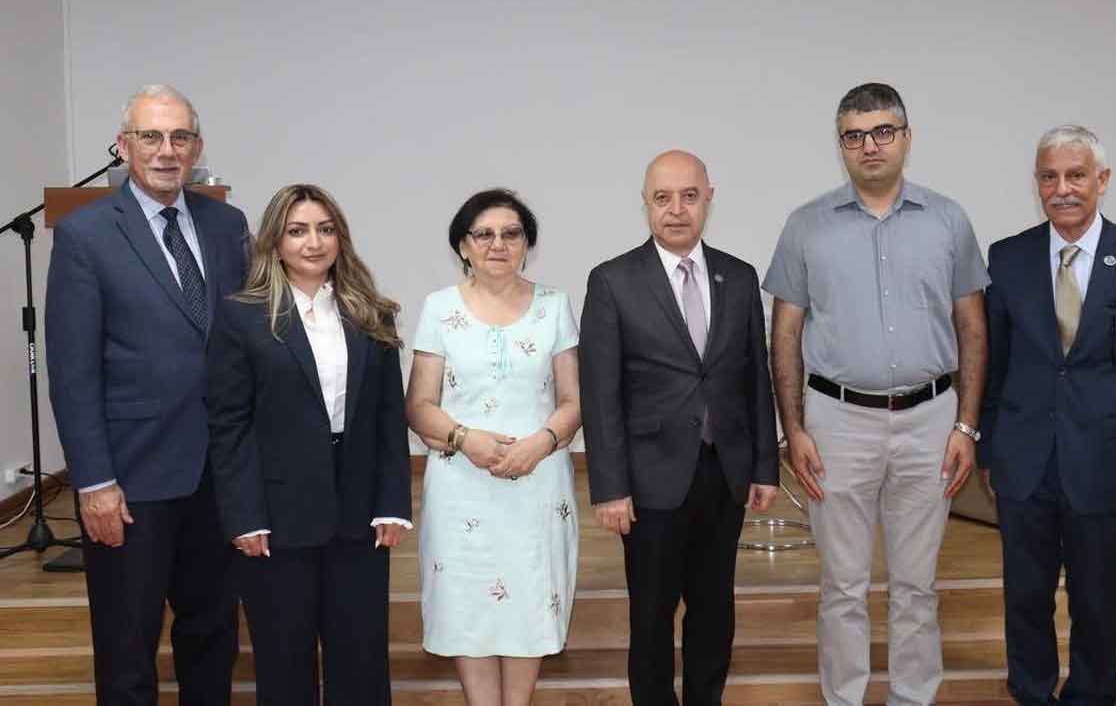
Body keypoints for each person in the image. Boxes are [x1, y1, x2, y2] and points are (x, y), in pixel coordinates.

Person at [763, 82, 989, 706]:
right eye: (855, 136)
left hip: (932, 421)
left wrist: (966, 426)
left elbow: (972, 327)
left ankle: (913, 697)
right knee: (842, 585)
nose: (870, 146)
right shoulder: (806, 225)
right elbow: (785, 336)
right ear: (840, 145)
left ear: (906, 138)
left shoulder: (948, 220)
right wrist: (794, 429)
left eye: (883, 131)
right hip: (836, 423)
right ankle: (844, 698)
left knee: (917, 585)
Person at [45, 84, 246, 705]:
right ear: (123, 145)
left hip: (219, 473)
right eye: (150, 136)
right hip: (131, 480)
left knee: (212, 635)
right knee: (127, 647)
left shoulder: (228, 225)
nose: (166, 150)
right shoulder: (84, 236)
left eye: (179, 137)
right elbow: (73, 373)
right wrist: (94, 482)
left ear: (197, 148)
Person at [979, 125, 1116, 706]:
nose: (1062, 189)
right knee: (1025, 595)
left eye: (1076, 176)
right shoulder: (1008, 258)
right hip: (1024, 462)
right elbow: (994, 367)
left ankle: (1092, 695)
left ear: (1102, 179)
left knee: (1097, 600)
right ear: (1037, 184)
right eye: (1049, 177)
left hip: (1105, 465)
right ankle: (1030, 689)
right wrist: (989, 449)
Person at [579, 150, 779, 706]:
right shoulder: (613, 281)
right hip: (649, 481)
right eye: (662, 198)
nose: (676, 210)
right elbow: (600, 394)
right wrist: (610, 487)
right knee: (651, 614)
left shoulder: (739, 276)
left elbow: (755, 376)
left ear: (708, 199)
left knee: (714, 609)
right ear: (645, 203)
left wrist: (765, 465)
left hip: (724, 473)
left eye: (689, 196)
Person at [206, 183, 412, 705]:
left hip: (359, 511)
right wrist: (243, 515)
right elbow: (229, 425)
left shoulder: (371, 313)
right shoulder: (241, 315)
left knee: (361, 661)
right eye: (297, 231)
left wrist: (392, 503)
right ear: (275, 243)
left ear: (341, 238)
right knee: (284, 661)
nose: (313, 243)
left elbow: (389, 418)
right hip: (276, 515)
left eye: (325, 229)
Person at [405, 188, 581, 706]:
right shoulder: (439, 308)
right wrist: (466, 440)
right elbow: (419, 405)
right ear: (463, 245)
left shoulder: (554, 306)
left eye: (511, 234)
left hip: (537, 482)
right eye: (483, 234)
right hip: (462, 486)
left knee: (529, 602)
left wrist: (541, 443)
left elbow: (573, 401)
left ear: (527, 244)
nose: (497, 244)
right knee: (468, 607)